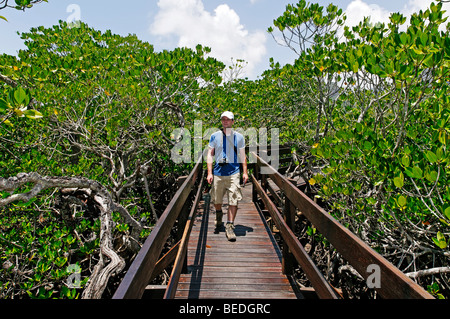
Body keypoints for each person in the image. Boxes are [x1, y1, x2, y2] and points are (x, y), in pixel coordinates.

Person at [207, 111, 248, 241]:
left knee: (233, 200)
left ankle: (230, 226)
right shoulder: (214, 136)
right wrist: (209, 173)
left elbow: (243, 156)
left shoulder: (239, 137)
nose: (225, 121)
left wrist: (245, 172)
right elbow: (209, 154)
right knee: (217, 200)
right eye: (223, 119)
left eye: (228, 119)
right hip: (218, 173)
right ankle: (219, 215)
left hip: (234, 173)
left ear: (232, 121)